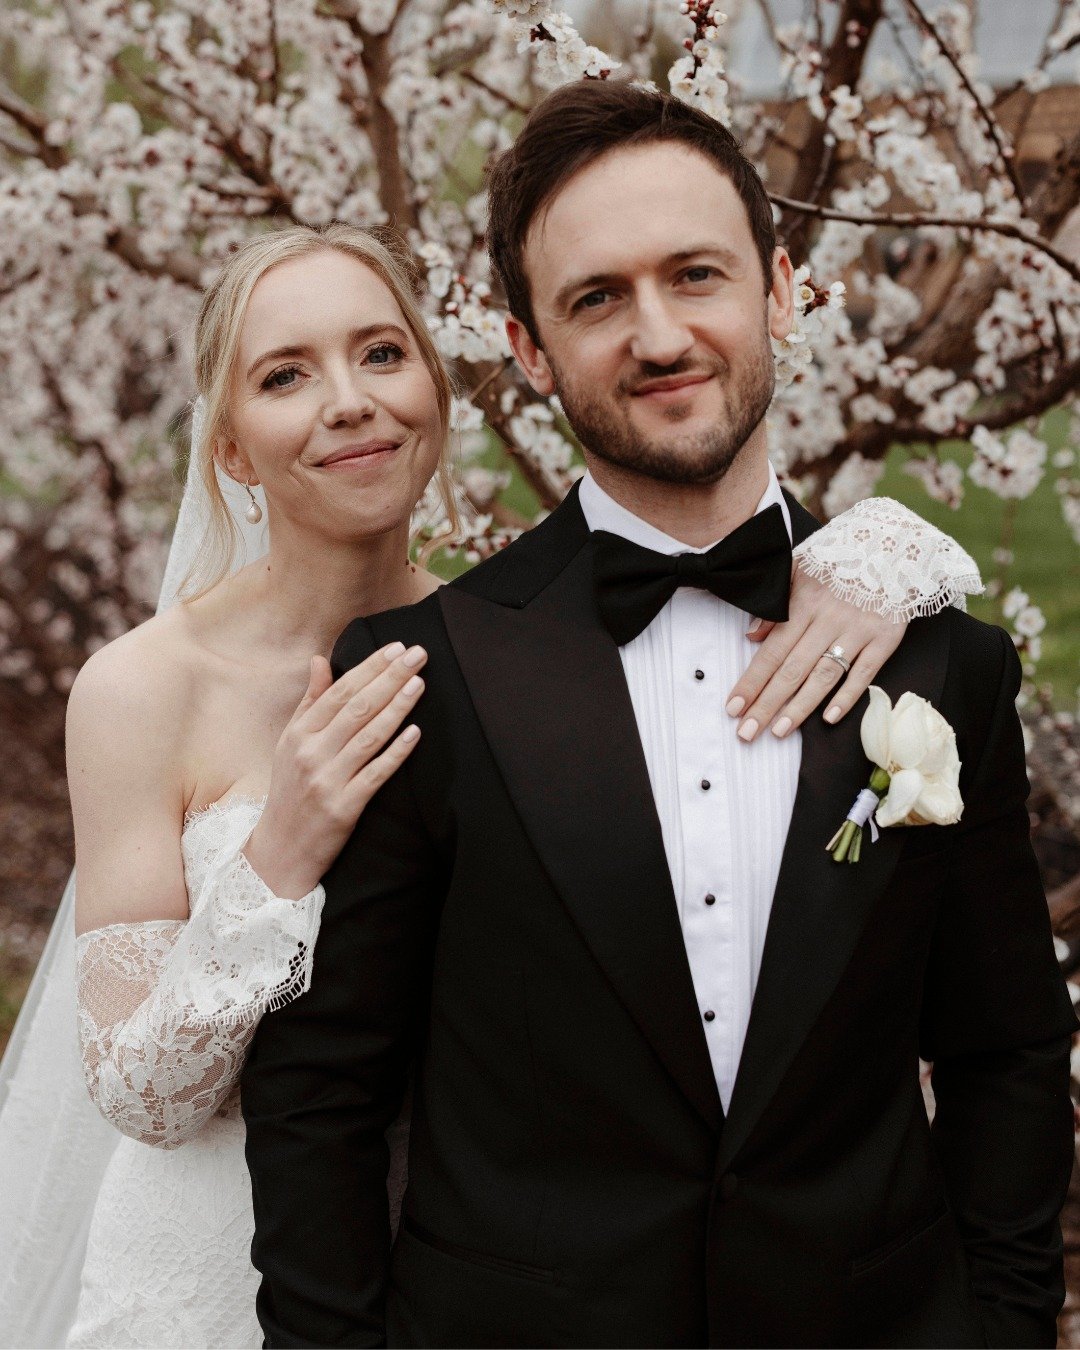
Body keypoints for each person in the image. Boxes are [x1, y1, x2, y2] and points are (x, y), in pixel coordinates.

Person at [0, 216, 966, 1349]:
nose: (350, 400)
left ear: (438, 390)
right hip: (212, 1271)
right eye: (285, 376)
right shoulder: (142, 690)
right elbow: (136, 1095)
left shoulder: (504, 647)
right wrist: (279, 856)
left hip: (469, 1264)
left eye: (381, 353)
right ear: (229, 447)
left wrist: (894, 552)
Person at [242, 83, 1078, 1350]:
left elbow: (1007, 1049)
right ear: (529, 352)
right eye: (596, 299)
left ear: (782, 292)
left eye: (696, 275)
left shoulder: (941, 664)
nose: (658, 333)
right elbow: (320, 1098)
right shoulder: (423, 672)